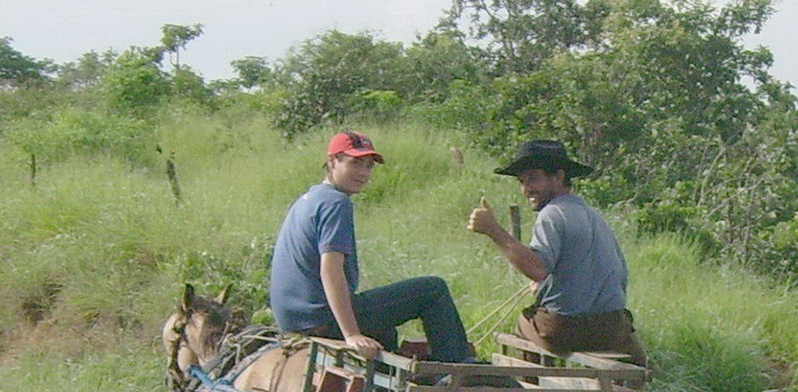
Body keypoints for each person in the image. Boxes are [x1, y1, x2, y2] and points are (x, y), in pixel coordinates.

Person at [270, 130, 472, 362]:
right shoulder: (336, 202)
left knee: (386, 331)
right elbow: (331, 270)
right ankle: (455, 369)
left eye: (368, 166)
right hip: (319, 318)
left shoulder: (309, 199)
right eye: (355, 163)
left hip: (294, 319)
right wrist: (352, 334)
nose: (363, 173)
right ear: (332, 161)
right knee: (433, 290)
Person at [467, 139, 647, 366]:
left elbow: (538, 269)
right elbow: (618, 277)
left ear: (559, 177)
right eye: (522, 182)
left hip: (565, 328)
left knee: (525, 323)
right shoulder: (594, 216)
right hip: (612, 328)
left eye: (533, 179)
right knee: (635, 354)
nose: (526, 189)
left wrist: (493, 230)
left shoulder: (551, 214)